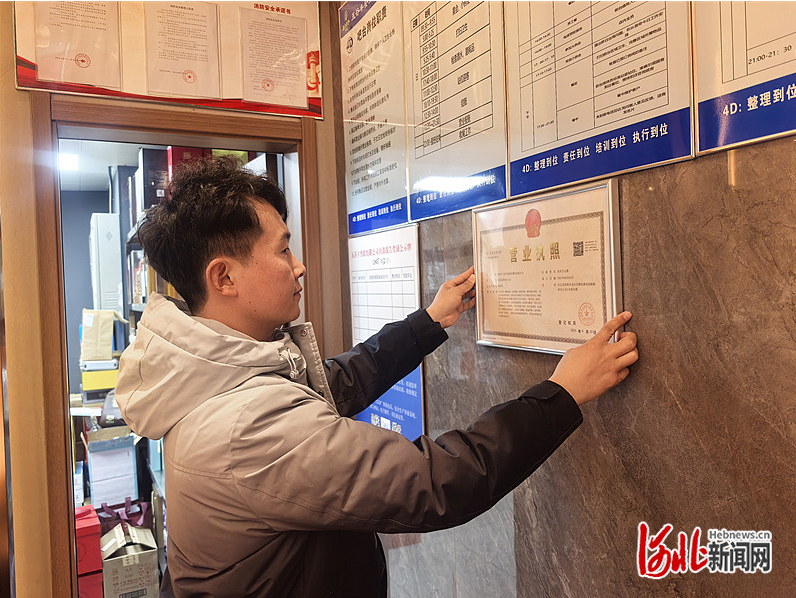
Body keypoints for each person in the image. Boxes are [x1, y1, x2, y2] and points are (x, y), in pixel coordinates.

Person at [115, 156, 638, 598]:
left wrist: (428, 323)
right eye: (282, 250)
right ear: (224, 276)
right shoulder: (246, 426)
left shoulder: (216, 373)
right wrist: (561, 393)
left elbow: (332, 385)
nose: (299, 266)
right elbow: (435, 482)